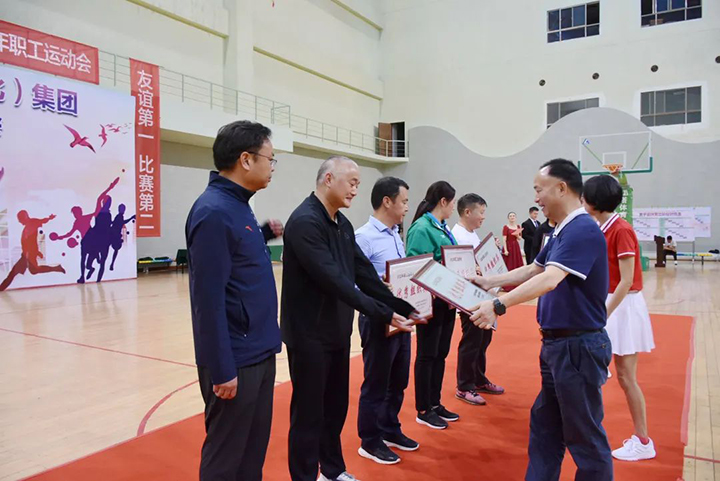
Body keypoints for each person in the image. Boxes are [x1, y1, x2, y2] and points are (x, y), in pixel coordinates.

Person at [470, 159, 613, 481]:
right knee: (546, 426)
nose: (536, 198)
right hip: (558, 346)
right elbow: (535, 268)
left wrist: (498, 304)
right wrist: (490, 281)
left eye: (539, 189)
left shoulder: (582, 229)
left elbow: (549, 279)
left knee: (585, 436)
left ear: (561, 188)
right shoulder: (562, 229)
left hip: (577, 346)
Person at [281, 156, 418, 481]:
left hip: (336, 331)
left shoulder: (341, 224)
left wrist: (400, 305)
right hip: (308, 335)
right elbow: (335, 281)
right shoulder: (304, 222)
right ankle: (304, 476)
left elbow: (363, 273)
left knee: (335, 407)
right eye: (352, 182)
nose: (356, 190)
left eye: (358, 184)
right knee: (308, 414)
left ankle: (332, 470)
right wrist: (384, 313)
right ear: (328, 179)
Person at [185, 120, 284, 481]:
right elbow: (207, 300)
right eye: (269, 159)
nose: (272, 167)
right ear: (245, 159)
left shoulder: (237, 206)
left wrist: (262, 233)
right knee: (226, 458)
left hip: (258, 348)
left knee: (251, 453)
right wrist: (222, 368)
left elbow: (235, 254)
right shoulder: (214, 211)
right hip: (236, 360)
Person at [583, 175, 656, 462]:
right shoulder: (600, 227)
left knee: (626, 376)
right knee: (600, 372)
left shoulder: (621, 229)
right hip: (610, 301)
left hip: (622, 305)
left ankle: (643, 440)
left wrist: (602, 315)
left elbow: (626, 281)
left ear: (593, 201)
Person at [355, 176, 420, 465]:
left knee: (398, 379)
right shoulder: (364, 237)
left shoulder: (395, 234)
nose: (407, 207)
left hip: (400, 320)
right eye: (403, 201)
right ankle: (369, 441)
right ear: (387, 201)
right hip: (377, 320)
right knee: (376, 382)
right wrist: (378, 286)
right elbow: (351, 283)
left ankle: (390, 428)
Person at [406, 181, 461, 430]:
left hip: (448, 299)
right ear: (443, 201)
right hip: (431, 301)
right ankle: (423, 408)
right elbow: (417, 266)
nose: (453, 208)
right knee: (427, 355)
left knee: (441, 353)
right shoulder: (422, 228)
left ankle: (435, 402)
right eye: (452, 203)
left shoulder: (442, 227)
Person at [451, 194, 505, 406]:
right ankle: (464, 386)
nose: (483, 217)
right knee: (471, 341)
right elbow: (459, 268)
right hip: (469, 299)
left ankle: (479, 379)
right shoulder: (457, 236)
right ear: (467, 212)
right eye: (481, 212)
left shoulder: (472, 233)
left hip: (483, 296)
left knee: (483, 339)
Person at [0, 210, 66, 291]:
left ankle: (1, 288)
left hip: (28, 255)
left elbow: (42, 221)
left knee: (15, 272)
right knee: (33, 270)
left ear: (24, 217)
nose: (19, 222)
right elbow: (30, 242)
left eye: (20, 219)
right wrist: (36, 252)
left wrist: (49, 218)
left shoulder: (33, 223)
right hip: (26, 255)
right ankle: (57, 268)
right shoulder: (28, 226)